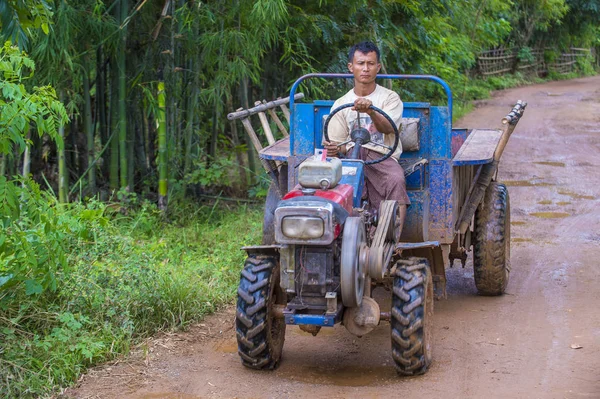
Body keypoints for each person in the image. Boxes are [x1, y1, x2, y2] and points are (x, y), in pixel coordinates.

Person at [323, 41, 409, 237]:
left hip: (382, 156)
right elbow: (336, 145)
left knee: (396, 179)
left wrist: (370, 111)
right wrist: (334, 150)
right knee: (329, 186)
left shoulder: (390, 98)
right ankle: (333, 236)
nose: (365, 68)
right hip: (351, 158)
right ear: (351, 67)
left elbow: (388, 128)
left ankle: (392, 241)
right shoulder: (340, 103)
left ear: (378, 67)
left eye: (370, 63)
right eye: (360, 63)